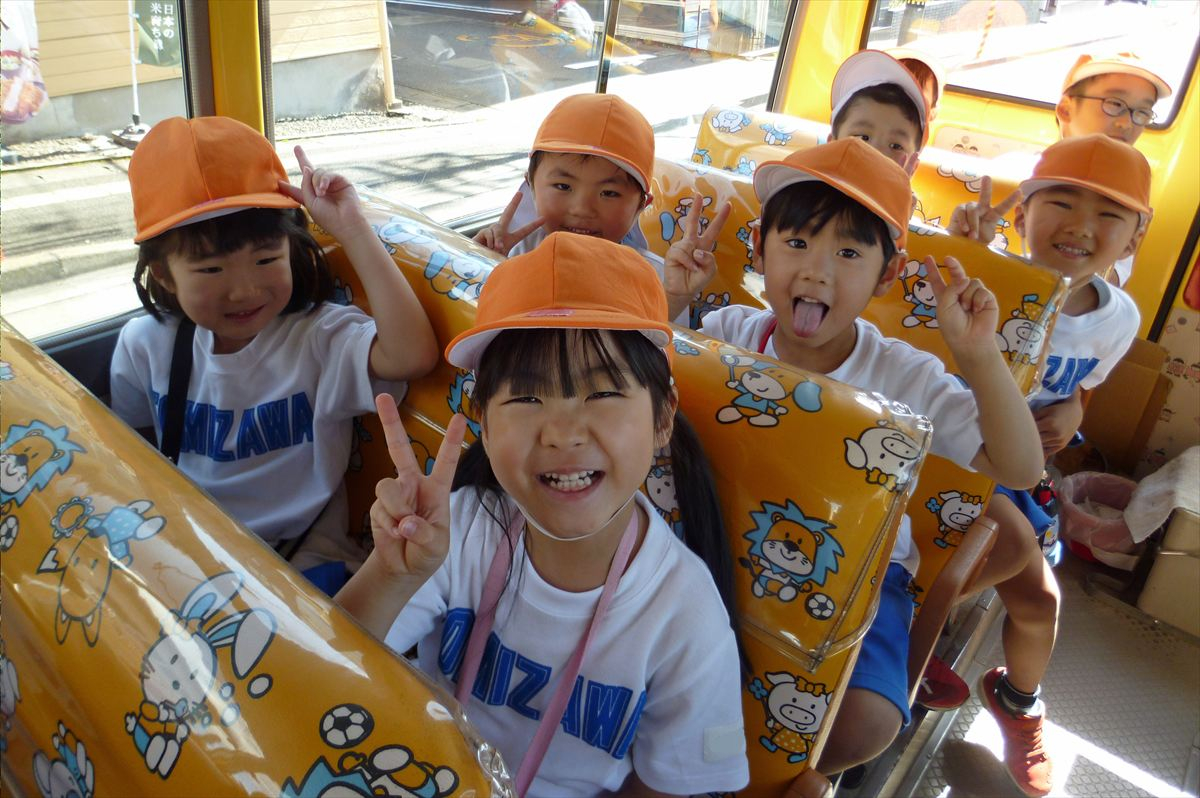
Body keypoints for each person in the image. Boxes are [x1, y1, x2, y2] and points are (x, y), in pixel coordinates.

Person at [666, 138, 1042, 777]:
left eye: (848, 252)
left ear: (888, 274)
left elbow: (1020, 468)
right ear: (759, 248)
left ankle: (775, 778)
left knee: (869, 721)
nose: (816, 272)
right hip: (713, 537)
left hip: (858, 575)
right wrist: (672, 297)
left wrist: (979, 358)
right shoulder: (728, 331)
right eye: (797, 244)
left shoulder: (905, 376)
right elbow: (646, 391)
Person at [337, 232, 749, 798]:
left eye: (602, 394)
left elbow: (667, 787)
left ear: (662, 418)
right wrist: (391, 573)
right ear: (482, 419)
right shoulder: (458, 531)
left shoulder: (685, 616)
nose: (562, 434)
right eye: (527, 399)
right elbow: (332, 659)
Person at [109, 116, 438, 592]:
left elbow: (412, 355)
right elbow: (132, 459)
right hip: (187, 553)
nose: (243, 290)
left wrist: (353, 229)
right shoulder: (146, 345)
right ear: (163, 276)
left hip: (302, 561)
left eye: (266, 259)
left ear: (292, 248)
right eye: (211, 269)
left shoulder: (317, 338)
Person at [946, 134, 1149, 797]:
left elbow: (1081, 387)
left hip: (1021, 470)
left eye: (1108, 216)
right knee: (945, 572)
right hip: (947, 456)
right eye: (1060, 201)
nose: (1081, 226)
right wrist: (968, 256)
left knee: (1038, 603)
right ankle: (910, 654)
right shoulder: (980, 281)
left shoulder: (1118, 319)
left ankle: (1017, 702)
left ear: (1133, 240)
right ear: (1021, 214)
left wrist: (1076, 415)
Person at [1056, 52, 1171, 286]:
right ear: (1066, 110)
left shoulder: (1128, 198)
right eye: (1115, 104)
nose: (1127, 123)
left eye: (1142, 113)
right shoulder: (1015, 171)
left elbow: (1114, 279)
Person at [827, 49, 928, 177]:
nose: (877, 153)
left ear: (913, 167)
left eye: (896, 146)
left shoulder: (902, 198)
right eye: (863, 138)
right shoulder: (807, 192)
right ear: (831, 145)